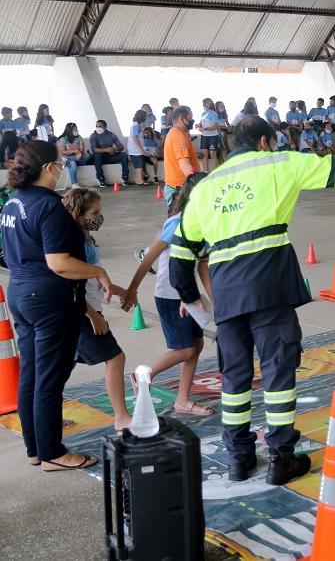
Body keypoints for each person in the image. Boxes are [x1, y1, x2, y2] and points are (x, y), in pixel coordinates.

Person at [169, 116, 335, 484]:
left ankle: (239, 458)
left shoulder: (207, 187)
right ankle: (280, 458)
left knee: (235, 378)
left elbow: (181, 257)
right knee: (277, 372)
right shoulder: (279, 163)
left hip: (226, 294)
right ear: (263, 142)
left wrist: (194, 302)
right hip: (270, 284)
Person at [1, 141, 117, 471]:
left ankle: (35, 448)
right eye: (60, 163)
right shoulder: (50, 206)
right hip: (50, 298)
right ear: (48, 168)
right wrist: (98, 271)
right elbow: (59, 263)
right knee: (49, 379)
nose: (62, 169)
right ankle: (53, 452)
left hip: (21, 292)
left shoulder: (12, 203)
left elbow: (9, 255)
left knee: (33, 374)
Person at [125, 172, 215, 417]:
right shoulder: (176, 223)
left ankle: (182, 401)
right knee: (185, 349)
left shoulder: (205, 223)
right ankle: (144, 375)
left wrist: (215, 301)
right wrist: (132, 289)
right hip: (169, 295)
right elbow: (149, 258)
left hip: (187, 292)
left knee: (195, 346)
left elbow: (203, 265)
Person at [62, 189, 130, 431]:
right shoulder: (74, 243)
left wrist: (122, 292)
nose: (99, 217)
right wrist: (92, 315)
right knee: (115, 357)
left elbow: (96, 280)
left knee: (61, 366)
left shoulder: (85, 238)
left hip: (83, 308)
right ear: (77, 214)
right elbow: (70, 285)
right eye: (94, 213)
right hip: (81, 312)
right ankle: (122, 417)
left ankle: (49, 416)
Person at [162, 106, 200, 210]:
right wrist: (198, 182)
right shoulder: (179, 136)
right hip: (180, 190)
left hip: (177, 188)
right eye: (190, 118)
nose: (192, 121)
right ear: (182, 119)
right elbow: (184, 165)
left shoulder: (176, 133)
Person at [89, 120, 130, 188]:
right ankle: (101, 178)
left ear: (105, 127)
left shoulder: (111, 134)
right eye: (96, 126)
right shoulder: (93, 135)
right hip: (100, 157)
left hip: (111, 155)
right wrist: (106, 149)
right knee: (97, 155)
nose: (97, 128)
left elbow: (121, 146)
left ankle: (125, 177)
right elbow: (94, 149)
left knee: (124, 155)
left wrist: (115, 149)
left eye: (100, 126)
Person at [56, 123, 89, 189]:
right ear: (69, 130)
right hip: (67, 157)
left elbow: (82, 149)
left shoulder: (79, 137)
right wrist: (74, 152)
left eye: (76, 129)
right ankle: (75, 184)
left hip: (75, 158)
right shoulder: (63, 139)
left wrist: (80, 153)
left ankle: (70, 159)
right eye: (74, 129)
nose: (76, 131)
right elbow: (62, 152)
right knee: (72, 163)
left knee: (86, 155)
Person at [127, 110, 151, 185]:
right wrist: (140, 149)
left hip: (135, 148)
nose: (146, 118)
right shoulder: (135, 125)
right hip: (135, 149)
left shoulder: (137, 125)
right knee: (139, 165)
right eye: (145, 116)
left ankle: (138, 180)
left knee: (138, 165)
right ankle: (139, 180)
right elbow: (135, 138)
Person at [200, 98, 223, 172]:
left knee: (213, 154)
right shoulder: (203, 113)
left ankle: (214, 173)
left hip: (213, 136)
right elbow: (201, 124)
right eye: (206, 103)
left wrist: (206, 129)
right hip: (204, 136)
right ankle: (205, 173)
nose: (207, 104)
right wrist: (198, 125)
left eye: (209, 103)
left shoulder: (214, 113)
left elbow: (216, 126)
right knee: (204, 154)